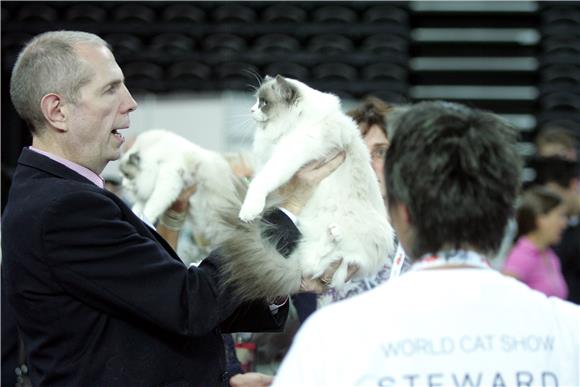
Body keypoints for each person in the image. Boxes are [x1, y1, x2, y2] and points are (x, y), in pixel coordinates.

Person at [1, 30, 345, 387]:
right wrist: (289, 205)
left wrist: (275, 285)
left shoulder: (60, 197)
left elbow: (157, 309)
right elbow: (189, 304)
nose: (131, 102)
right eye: (110, 89)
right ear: (57, 110)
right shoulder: (64, 208)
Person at [272, 101, 580, 386]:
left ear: (403, 212)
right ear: (504, 215)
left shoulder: (332, 337)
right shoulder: (570, 330)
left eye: (379, 152)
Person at [502, 186, 569, 299]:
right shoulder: (521, 256)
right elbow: (503, 298)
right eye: (559, 216)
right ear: (540, 219)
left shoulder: (550, 255)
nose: (564, 223)